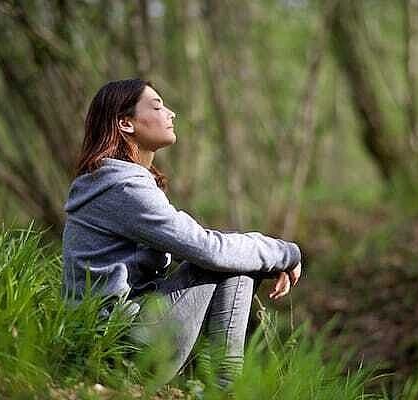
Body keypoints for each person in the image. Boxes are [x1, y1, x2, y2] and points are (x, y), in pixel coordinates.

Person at [61, 78, 302, 388]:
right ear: (126, 124)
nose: (171, 113)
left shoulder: (112, 182)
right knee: (223, 261)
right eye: (158, 106)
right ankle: (224, 388)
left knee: (233, 260)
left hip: (112, 339)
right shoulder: (123, 188)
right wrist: (285, 253)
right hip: (119, 349)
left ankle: (220, 386)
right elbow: (208, 249)